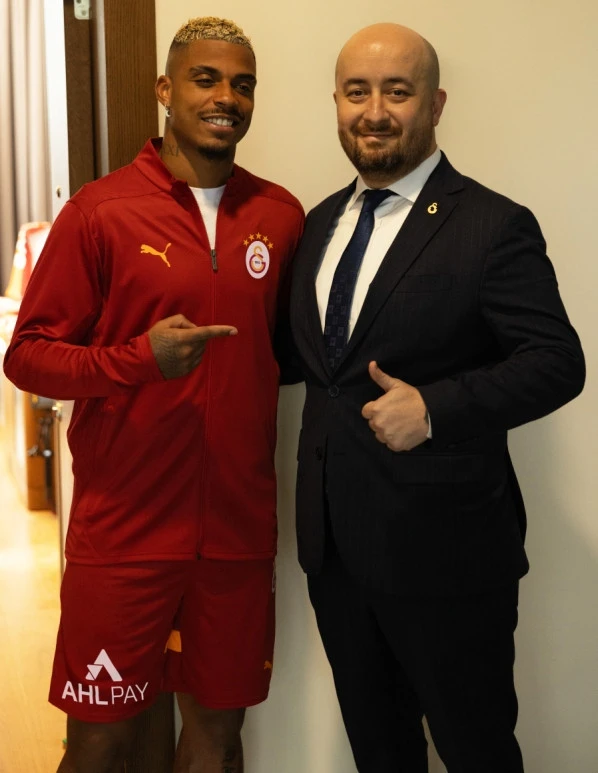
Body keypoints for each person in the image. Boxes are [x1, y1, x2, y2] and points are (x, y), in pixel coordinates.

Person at [4, 16, 303, 773]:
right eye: (206, 78)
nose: (226, 96)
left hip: (236, 535)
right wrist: (138, 359)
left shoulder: (280, 216)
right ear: (166, 89)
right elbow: (27, 356)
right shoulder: (100, 212)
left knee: (217, 740)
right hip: (124, 533)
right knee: (98, 742)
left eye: (242, 84)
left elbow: (289, 355)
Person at [289, 22, 584, 773]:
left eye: (398, 91)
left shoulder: (492, 225)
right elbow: (318, 365)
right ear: (336, 101)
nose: (375, 112)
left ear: (436, 104)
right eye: (357, 92)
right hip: (337, 552)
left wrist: (436, 409)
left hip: (448, 557)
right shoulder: (319, 224)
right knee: (380, 753)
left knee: (476, 752)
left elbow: (558, 361)